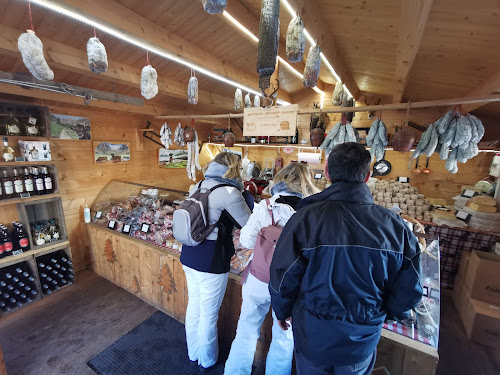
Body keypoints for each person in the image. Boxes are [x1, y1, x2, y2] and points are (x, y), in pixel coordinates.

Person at [269, 142, 423, 375]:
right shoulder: (395, 225)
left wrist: (282, 310)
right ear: (368, 176)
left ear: (328, 172)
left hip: (313, 334)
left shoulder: (306, 217)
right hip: (362, 336)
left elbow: (282, 275)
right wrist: (388, 313)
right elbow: (410, 288)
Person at [224, 163, 319, 375]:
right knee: (284, 338)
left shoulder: (266, 206)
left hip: (259, 278)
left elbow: (247, 240)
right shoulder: (313, 212)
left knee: (246, 329)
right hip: (291, 285)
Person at [180, 152, 252, 371]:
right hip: (211, 260)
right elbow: (249, 226)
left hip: (189, 252)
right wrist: (247, 196)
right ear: (234, 169)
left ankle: (194, 353)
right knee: (209, 315)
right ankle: (208, 360)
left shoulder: (199, 184)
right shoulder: (230, 191)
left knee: (194, 306)